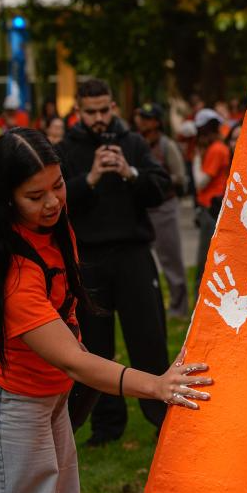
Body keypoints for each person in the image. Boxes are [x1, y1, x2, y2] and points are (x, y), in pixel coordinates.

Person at [0, 127, 212, 493]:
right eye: (35, 196)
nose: (53, 202)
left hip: (43, 391)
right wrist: (157, 386)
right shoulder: (11, 272)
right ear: (6, 199)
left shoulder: (47, 224)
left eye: (58, 185)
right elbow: (73, 360)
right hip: (7, 397)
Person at [55, 79, 173, 446]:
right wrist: (89, 179)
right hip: (88, 258)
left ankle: (162, 417)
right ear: (78, 111)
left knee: (148, 338)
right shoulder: (65, 149)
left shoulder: (133, 142)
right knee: (94, 345)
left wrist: (129, 172)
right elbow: (55, 201)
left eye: (104, 110)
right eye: (90, 111)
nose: (99, 118)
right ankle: (106, 425)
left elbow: (161, 188)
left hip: (133, 254)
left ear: (114, 107)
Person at [136, 103, 190, 317]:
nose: (142, 122)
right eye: (141, 117)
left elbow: (181, 177)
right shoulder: (137, 143)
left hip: (164, 208)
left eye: (147, 118)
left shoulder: (167, 146)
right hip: (143, 208)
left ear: (157, 122)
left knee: (170, 258)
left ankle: (179, 308)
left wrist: (156, 178)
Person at [192, 108, 229, 286]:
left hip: (211, 208)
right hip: (209, 207)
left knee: (205, 260)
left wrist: (196, 159)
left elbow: (200, 182)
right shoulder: (217, 148)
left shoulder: (216, 150)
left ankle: (200, 295)